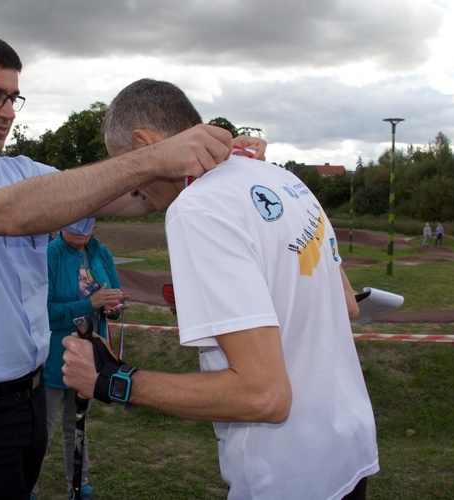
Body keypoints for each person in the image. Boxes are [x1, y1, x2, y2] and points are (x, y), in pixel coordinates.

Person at [0, 32, 265, 499]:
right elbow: (11, 213)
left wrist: (215, 163)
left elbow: (128, 196)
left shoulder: (21, 171)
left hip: (27, 394)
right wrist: (155, 156)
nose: (6, 110)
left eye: (13, 97)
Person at [61, 79, 379, 499]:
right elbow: (345, 304)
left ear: (145, 143)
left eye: (124, 164)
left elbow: (264, 395)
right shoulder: (283, 179)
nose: (128, 184)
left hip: (285, 474)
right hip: (347, 453)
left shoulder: (197, 208)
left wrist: (110, 380)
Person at [33, 224, 127, 499]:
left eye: (88, 222)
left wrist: (113, 308)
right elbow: (44, 312)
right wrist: (91, 304)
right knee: (43, 430)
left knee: (77, 425)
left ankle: (79, 485)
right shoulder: (49, 254)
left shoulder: (101, 253)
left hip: (89, 357)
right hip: (53, 356)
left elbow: (113, 299)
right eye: (75, 222)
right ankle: (28, 488)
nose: (82, 230)